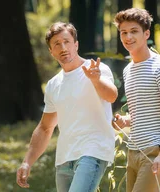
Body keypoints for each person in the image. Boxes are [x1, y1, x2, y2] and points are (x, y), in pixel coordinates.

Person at [16, 22, 118, 192]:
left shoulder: (96, 69)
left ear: (76, 44)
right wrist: (27, 161)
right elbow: (45, 128)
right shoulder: (53, 85)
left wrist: (95, 80)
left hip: (93, 152)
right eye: (57, 44)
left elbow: (111, 96)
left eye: (67, 42)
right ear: (51, 51)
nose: (63, 48)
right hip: (64, 159)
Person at [112, 8, 160, 192]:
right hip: (134, 150)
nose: (128, 37)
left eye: (134, 31)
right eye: (123, 32)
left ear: (146, 33)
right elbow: (142, 113)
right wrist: (125, 121)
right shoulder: (128, 70)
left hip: (155, 149)